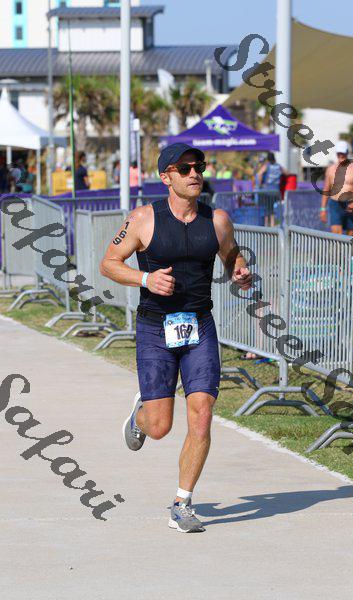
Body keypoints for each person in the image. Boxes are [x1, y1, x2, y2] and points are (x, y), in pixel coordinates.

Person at [100, 142, 251, 533]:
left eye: (199, 166)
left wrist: (238, 269)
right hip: (155, 327)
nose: (194, 174)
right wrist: (145, 279)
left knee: (202, 415)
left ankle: (182, 503)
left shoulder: (217, 219)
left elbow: (231, 254)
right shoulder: (143, 219)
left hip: (200, 326)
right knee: (160, 427)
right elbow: (109, 264)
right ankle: (141, 414)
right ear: (166, 177)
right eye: (184, 169)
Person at [320, 140, 353, 235]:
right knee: (336, 233)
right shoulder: (330, 169)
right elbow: (326, 189)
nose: (341, 155)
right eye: (339, 153)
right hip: (335, 204)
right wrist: (323, 209)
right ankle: (337, 246)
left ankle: (350, 245)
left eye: (343, 153)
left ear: (347, 153)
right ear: (336, 153)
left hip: (351, 203)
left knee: (351, 235)